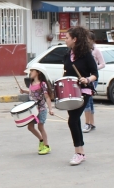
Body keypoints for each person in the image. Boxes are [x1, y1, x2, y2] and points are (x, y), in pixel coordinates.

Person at [62, 26, 98, 166]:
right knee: (74, 120)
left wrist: (87, 80)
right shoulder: (66, 55)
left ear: (75, 39)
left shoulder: (86, 55)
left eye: (67, 38)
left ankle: (79, 153)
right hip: (70, 92)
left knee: (72, 120)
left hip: (84, 92)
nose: (65, 40)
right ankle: (80, 151)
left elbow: (95, 73)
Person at [19, 68, 54, 155]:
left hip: (41, 109)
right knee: (30, 127)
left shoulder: (43, 84)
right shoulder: (31, 83)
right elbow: (32, 93)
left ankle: (46, 146)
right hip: (32, 110)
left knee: (40, 127)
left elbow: (47, 97)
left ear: (38, 72)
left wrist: (50, 109)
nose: (30, 73)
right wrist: (24, 91)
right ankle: (41, 140)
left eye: (32, 71)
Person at [83, 40, 105, 133]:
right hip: (85, 77)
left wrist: (94, 67)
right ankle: (92, 123)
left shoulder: (95, 50)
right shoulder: (84, 51)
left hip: (93, 78)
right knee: (90, 100)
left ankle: (88, 123)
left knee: (87, 99)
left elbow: (103, 64)